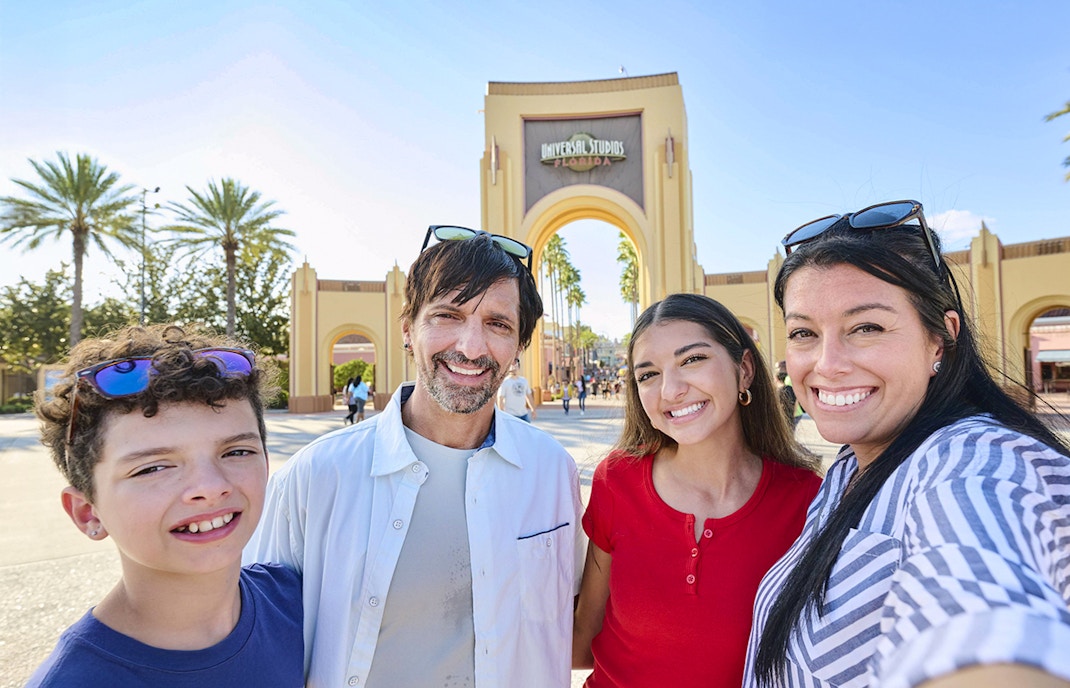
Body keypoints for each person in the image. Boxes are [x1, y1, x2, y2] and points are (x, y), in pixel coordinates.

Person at [744, 200, 1070, 688]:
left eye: (867, 327)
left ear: (941, 339)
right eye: (804, 332)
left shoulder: (969, 462)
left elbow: (982, 618)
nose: (827, 363)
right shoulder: (849, 466)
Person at [246, 225, 583, 687]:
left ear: (520, 346)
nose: (470, 346)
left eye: (498, 324)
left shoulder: (551, 470)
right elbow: (253, 640)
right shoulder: (318, 475)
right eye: (447, 315)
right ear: (408, 330)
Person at [28, 324, 302, 687]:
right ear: (87, 512)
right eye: (153, 468)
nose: (210, 487)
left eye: (236, 451)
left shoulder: (301, 603)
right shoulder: (75, 681)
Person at [573, 293, 823, 688]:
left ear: (743, 370)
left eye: (692, 360)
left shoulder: (807, 501)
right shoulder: (616, 481)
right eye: (648, 375)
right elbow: (582, 641)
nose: (670, 390)